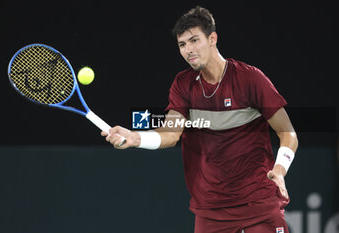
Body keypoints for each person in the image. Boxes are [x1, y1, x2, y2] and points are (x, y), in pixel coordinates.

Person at [102, 6, 298, 233]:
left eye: (194, 40)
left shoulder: (250, 79)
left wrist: (280, 170)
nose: (188, 50)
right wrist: (136, 137)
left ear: (213, 38)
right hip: (211, 208)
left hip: (259, 200)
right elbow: (170, 133)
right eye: (182, 45)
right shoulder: (183, 85)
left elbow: (288, 133)